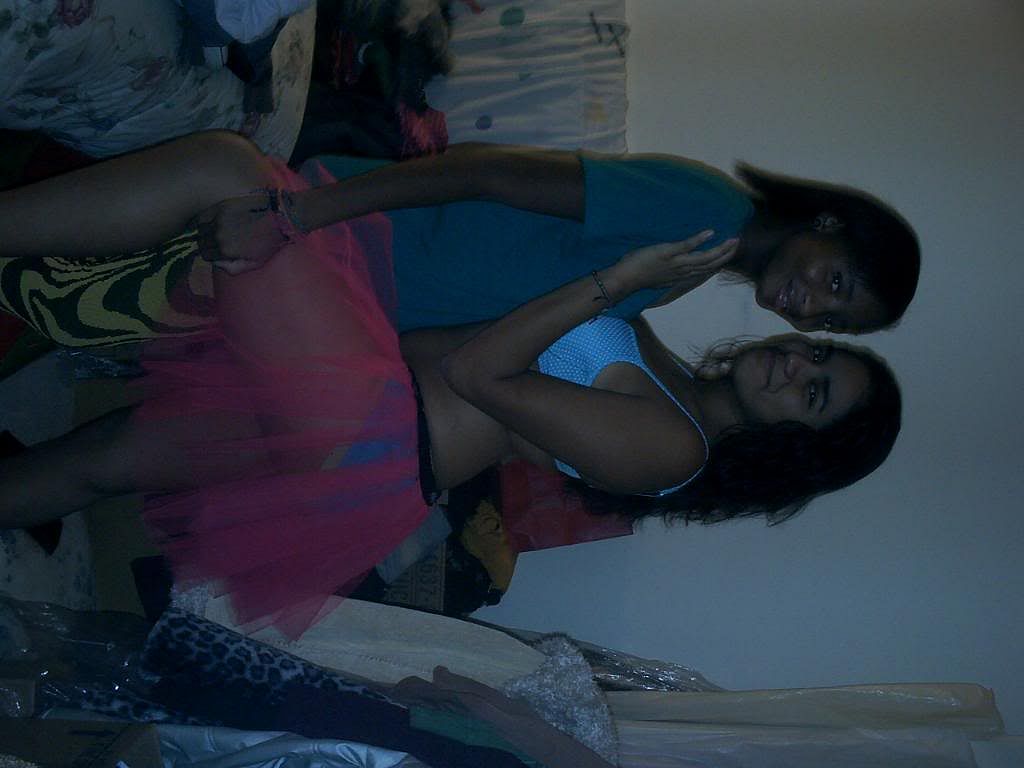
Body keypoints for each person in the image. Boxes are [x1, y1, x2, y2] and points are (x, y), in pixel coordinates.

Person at [0, 132, 901, 637]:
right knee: (109, 455)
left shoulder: (675, 448)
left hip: (377, 431)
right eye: (820, 355)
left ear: (792, 446)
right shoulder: (668, 351)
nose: (801, 355)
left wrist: (613, 283)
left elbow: (477, 370)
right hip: (363, 423)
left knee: (228, 171)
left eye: (814, 390)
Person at [202, 142, 920, 335]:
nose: (810, 307)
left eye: (832, 320)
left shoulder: (699, 262)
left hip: (358, 295)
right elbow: (488, 173)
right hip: (343, 241)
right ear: (830, 225)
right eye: (836, 281)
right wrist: (300, 216)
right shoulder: (707, 208)